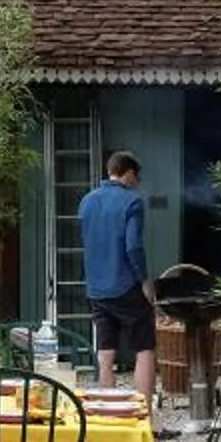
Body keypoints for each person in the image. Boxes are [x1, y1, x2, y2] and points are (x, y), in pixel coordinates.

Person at [77, 152, 155, 398]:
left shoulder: (87, 201)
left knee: (106, 353)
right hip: (125, 285)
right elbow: (133, 246)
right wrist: (144, 280)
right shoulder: (132, 202)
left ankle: (108, 418)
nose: (137, 181)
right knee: (144, 349)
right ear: (128, 173)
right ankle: (145, 423)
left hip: (97, 288)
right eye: (136, 176)